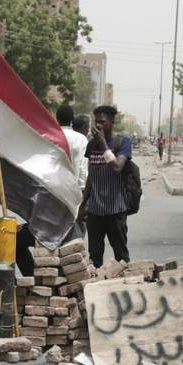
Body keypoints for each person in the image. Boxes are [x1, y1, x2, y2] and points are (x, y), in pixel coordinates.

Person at [83, 105, 131, 267]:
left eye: (102, 122)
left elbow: (117, 167)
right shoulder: (91, 145)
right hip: (95, 212)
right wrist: (83, 204)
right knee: (94, 259)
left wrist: (103, 143)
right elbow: (92, 175)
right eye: (96, 121)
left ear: (112, 122)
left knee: (121, 259)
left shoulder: (123, 142)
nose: (98, 125)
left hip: (116, 211)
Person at [57, 104, 88, 240]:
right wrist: (83, 191)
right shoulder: (81, 139)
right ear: (72, 119)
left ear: (57, 119)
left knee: (56, 232)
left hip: (54, 191)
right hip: (74, 192)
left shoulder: (50, 136)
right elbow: (83, 167)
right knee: (76, 234)